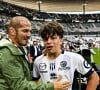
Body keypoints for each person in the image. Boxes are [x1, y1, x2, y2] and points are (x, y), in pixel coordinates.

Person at [0, 16, 71, 90]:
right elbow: (19, 86)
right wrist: (51, 86)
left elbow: (27, 68)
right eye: (25, 31)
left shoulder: (20, 48)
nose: (29, 35)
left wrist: (44, 56)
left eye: (30, 31)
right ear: (12, 31)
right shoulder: (6, 51)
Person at [32, 21, 99, 90]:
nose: (48, 41)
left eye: (53, 38)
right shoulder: (38, 61)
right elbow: (34, 81)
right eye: (45, 39)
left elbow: (94, 77)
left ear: (60, 40)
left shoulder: (74, 57)